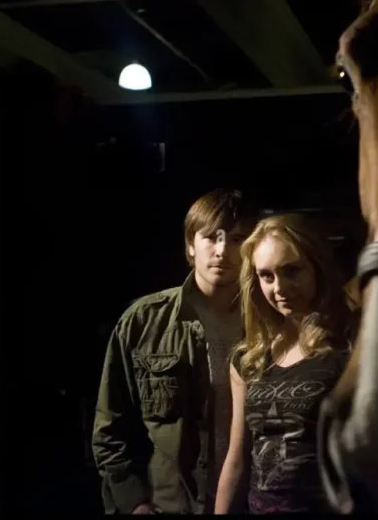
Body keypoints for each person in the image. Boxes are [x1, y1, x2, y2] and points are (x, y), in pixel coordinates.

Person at [91, 188, 253, 514]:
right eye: (211, 236)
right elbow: (109, 428)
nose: (222, 250)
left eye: (237, 239)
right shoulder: (144, 321)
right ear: (190, 246)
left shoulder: (270, 323)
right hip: (171, 506)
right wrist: (133, 503)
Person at [214, 214, 356, 514]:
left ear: (316, 268)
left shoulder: (349, 346)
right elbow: (237, 458)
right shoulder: (248, 360)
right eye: (267, 276)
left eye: (292, 271)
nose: (279, 287)